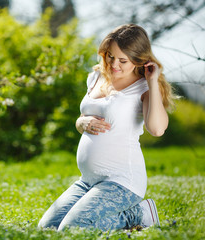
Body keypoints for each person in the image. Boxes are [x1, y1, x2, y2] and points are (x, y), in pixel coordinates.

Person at [38, 24, 175, 231]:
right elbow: (84, 116)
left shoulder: (143, 87)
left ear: (139, 60)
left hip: (122, 182)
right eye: (110, 56)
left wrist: (153, 81)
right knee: (46, 228)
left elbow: (157, 129)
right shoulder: (95, 77)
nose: (114, 64)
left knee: (72, 229)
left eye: (123, 60)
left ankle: (139, 213)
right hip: (89, 180)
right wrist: (80, 123)